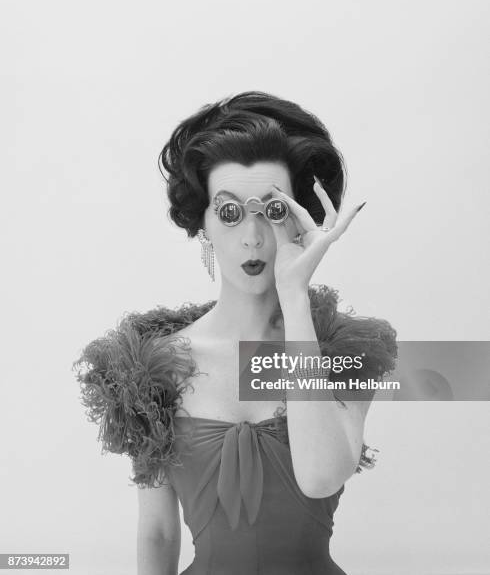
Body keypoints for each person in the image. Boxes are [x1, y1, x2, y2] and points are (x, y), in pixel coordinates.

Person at [73, 91, 398, 574]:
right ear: (202, 224)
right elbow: (159, 530)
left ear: (302, 219)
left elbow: (321, 476)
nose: (252, 236)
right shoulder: (152, 363)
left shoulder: (345, 351)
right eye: (228, 212)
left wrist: (295, 296)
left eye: (273, 211)